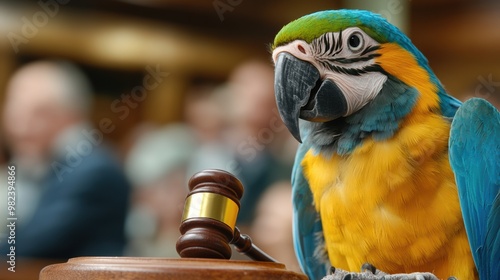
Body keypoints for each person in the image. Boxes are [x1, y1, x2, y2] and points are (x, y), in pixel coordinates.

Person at [1, 60, 130, 259]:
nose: (21, 127)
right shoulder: (45, 164)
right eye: (15, 113)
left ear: (73, 116)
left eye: (39, 114)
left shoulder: (93, 171)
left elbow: (30, 246)